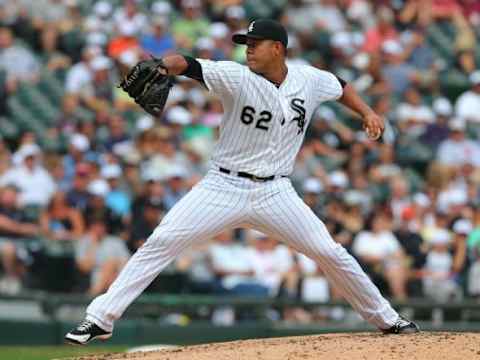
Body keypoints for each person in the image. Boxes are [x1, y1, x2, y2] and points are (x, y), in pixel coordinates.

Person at [65, 19, 419, 345]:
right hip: (222, 187)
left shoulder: (308, 80)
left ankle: (388, 320)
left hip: (276, 191)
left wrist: (368, 112)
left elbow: (340, 87)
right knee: (162, 241)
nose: (247, 48)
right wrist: (162, 66)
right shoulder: (236, 77)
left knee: (329, 252)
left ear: (277, 48)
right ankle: (100, 318)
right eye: (246, 43)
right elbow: (189, 63)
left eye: (255, 43)